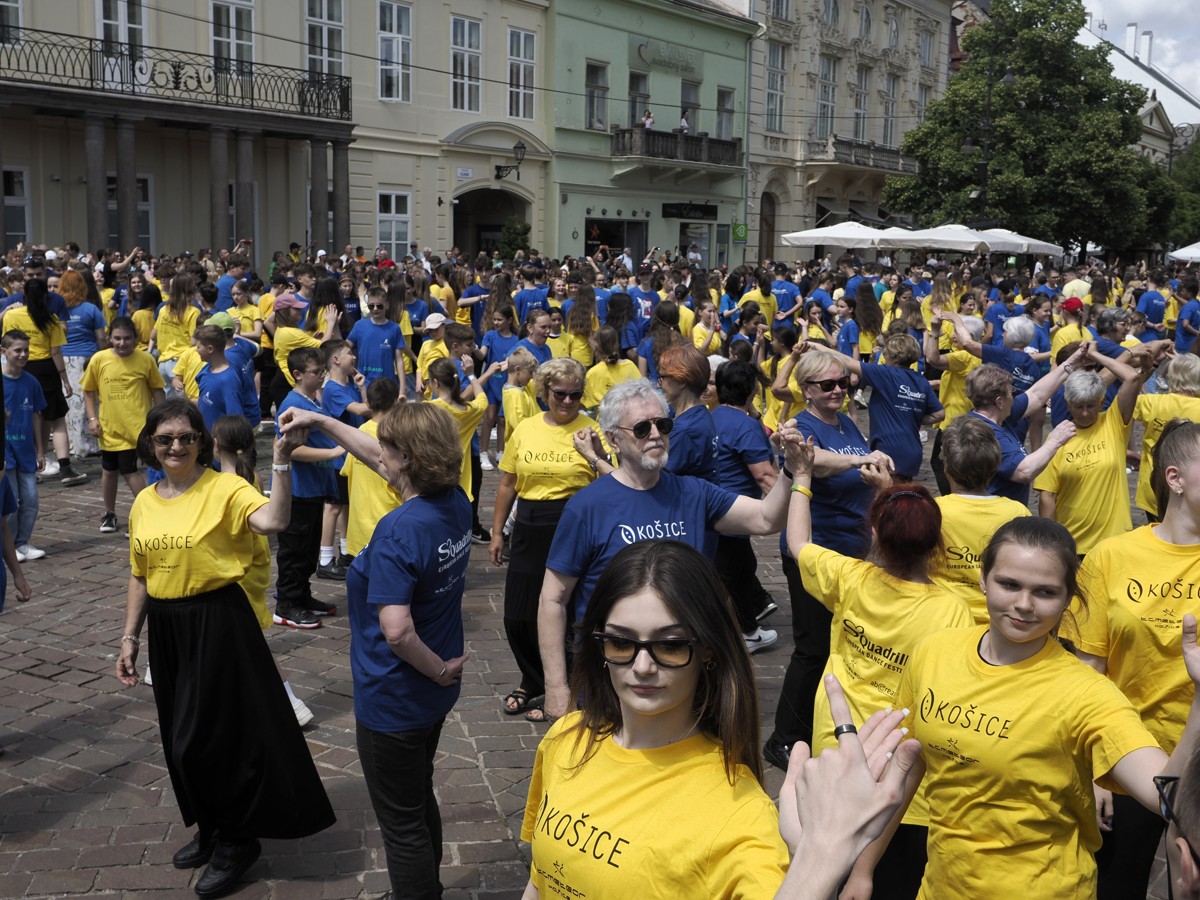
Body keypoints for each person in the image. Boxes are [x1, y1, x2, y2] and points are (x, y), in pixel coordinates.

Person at [521, 539, 923, 899]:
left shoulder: (742, 812)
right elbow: (540, 880)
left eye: (671, 645)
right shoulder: (565, 739)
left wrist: (819, 858)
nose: (642, 665)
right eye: (621, 642)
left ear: (709, 651)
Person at [862, 516, 1200, 900]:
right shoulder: (934, 653)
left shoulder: (1087, 694)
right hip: (940, 887)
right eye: (1009, 584)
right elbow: (906, 769)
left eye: (1045, 592)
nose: (1024, 604)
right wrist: (863, 868)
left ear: (1068, 598)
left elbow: (1164, 794)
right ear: (983, 579)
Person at [116, 399, 334, 898]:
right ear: (151, 443)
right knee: (179, 738)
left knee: (210, 738)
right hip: (168, 629)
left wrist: (280, 460)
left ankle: (239, 839)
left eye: (186, 437)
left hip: (218, 620)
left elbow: (274, 521)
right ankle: (213, 826)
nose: (176, 446)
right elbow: (140, 574)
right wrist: (130, 637)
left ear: (202, 443)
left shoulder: (227, 488)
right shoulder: (145, 501)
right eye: (165, 438)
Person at [278, 401, 472, 900]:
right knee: (416, 796)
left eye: (387, 448)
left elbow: (398, 632)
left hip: (396, 697)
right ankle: (427, 888)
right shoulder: (454, 500)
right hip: (430, 698)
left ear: (406, 458)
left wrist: (438, 671)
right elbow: (373, 455)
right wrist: (319, 421)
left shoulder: (397, 531)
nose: (378, 453)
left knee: (400, 823)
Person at [781, 424, 973, 899]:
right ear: (936, 543)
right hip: (902, 780)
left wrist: (802, 477)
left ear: (874, 534)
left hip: (836, 754)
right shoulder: (952, 611)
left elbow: (797, 543)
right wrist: (895, 496)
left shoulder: (851, 578)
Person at [539, 379, 799, 721]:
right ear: (613, 438)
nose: (655, 435)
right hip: (613, 676)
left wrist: (791, 468)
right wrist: (557, 687)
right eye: (642, 427)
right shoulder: (587, 506)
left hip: (685, 675)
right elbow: (553, 599)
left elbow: (766, 519)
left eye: (663, 425)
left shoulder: (694, 492)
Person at [1069, 419, 1200, 898]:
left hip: (1199, 759)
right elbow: (1088, 668)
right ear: (1175, 478)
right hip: (1127, 758)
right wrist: (1094, 770)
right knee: (1117, 884)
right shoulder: (1110, 556)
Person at [762, 346, 893, 769]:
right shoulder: (800, 426)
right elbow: (813, 462)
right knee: (812, 648)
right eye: (827, 385)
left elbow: (853, 460)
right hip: (814, 552)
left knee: (834, 644)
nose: (838, 390)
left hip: (848, 553)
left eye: (843, 382)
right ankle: (784, 737)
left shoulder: (846, 421)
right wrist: (863, 459)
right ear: (806, 390)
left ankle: (818, 724)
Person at [490, 358, 600, 722]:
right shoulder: (525, 428)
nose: (568, 402)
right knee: (518, 615)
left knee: (564, 612)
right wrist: (496, 532)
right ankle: (533, 678)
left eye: (575, 395)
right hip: (529, 522)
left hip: (573, 523)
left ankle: (564, 685)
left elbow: (607, 483)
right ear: (544, 392)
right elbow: (507, 482)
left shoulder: (592, 429)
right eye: (560, 394)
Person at [1033, 344, 1140, 551]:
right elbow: (1047, 497)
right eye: (1078, 406)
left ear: (1101, 403)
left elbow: (1132, 378)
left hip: (1114, 542)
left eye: (1090, 405)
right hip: (1073, 544)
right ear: (1068, 404)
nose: (1084, 413)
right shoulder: (1057, 440)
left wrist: (1093, 354)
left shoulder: (1113, 423)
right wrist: (1052, 545)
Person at [928, 415, 1029, 623]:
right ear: (995, 465)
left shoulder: (933, 511)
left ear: (946, 467)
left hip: (943, 618)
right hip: (996, 620)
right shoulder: (1017, 513)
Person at [710, 359, 782, 648]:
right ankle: (731, 636)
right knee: (730, 574)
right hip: (734, 513)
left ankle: (748, 627)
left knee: (741, 568)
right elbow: (765, 476)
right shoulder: (746, 426)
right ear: (752, 389)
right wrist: (796, 504)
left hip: (711, 510)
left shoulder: (708, 417)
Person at [273, 346, 345, 630]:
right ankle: (286, 604)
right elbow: (288, 449)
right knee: (294, 550)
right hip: (298, 491)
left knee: (309, 549)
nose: (321, 377)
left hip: (314, 488)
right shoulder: (292, 404)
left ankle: (301, 595)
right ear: (298, 375)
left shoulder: (312, 400)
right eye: (317, 373)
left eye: (322, 371)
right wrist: (331, 454)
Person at [82, 317, 166, 534]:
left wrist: (161, 420)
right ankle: (109, 513)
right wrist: (92, 419)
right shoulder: (99, 359)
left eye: (127, 338)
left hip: (138, 427)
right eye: (117, 338)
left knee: (129, 470)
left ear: (135, 338)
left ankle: (149, 512)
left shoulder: (145, 359)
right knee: (109, 470)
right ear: (109, 338)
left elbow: (158, 390)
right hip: (109, 427)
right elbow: (88, 391)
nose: (122, 343)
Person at [1, 278, 86, 485]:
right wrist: (65, 379)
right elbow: (55, 352)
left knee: (27, 417)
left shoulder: (12, 315)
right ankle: (65, 468)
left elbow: (7, 340)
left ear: (25, 296)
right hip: (47, 369)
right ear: (46, 297)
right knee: (57, 420)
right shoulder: (52, 318)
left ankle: (30, 466)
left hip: (23, 368)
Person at [825, 334, 943, 481]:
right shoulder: (921, 380)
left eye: (885, 352)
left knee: (887, 497)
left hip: (888, 451)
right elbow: (939, 414)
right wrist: (911, 415)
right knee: (902, 494)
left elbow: (848, 361)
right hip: (913, 451)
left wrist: (818, 348)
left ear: (893, 356)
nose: (884, 355)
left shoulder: (884, 373)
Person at [1132, 354, 1200, 523]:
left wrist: (1149, 368)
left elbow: (1127, 395)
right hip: (1191, 488)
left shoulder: (1151, 402)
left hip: (1153, 488)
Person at [3, 331, 47, 561]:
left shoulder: (31, 382)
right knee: (10, 503)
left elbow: (36, 417)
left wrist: (41, 450)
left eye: (26, 350)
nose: (22, 354)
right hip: (5, 453)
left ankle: (22, 542)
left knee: (30, 499)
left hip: (27, 451)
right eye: (17, 350)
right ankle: (7, 547)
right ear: (4, 352)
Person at [59, 269, 106, 459]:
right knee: (90, 400)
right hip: (89, 357)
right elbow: (101, 337)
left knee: (71, 402)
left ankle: (74, 444)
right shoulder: (91, 309)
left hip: (65, 358)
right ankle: (89, 443)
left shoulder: (57, 309)